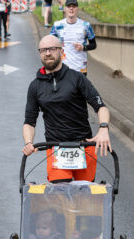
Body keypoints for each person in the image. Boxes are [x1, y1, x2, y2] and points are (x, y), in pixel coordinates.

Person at [22, 35, 111, 183]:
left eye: (52, 49)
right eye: (43, 50)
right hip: (56, 148)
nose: (48, 53)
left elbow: (101, 107)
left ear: (61, 52)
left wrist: (103, 128)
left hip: (84, 146)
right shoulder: (35, 86)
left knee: (85, 198)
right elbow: (29, 122)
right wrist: (28, 142)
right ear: (40, 54)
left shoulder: (77, 78)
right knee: (60, 197)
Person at [50, 0, 96, 76]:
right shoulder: (57, 25)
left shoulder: (85, 25)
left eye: (74, 6)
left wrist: (83, 47)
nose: (71, 9)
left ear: (77, 9)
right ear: (65, 9)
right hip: (63, 68)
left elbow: (94, 45)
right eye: (69, 6)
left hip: (80, 68)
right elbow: (50, 44)